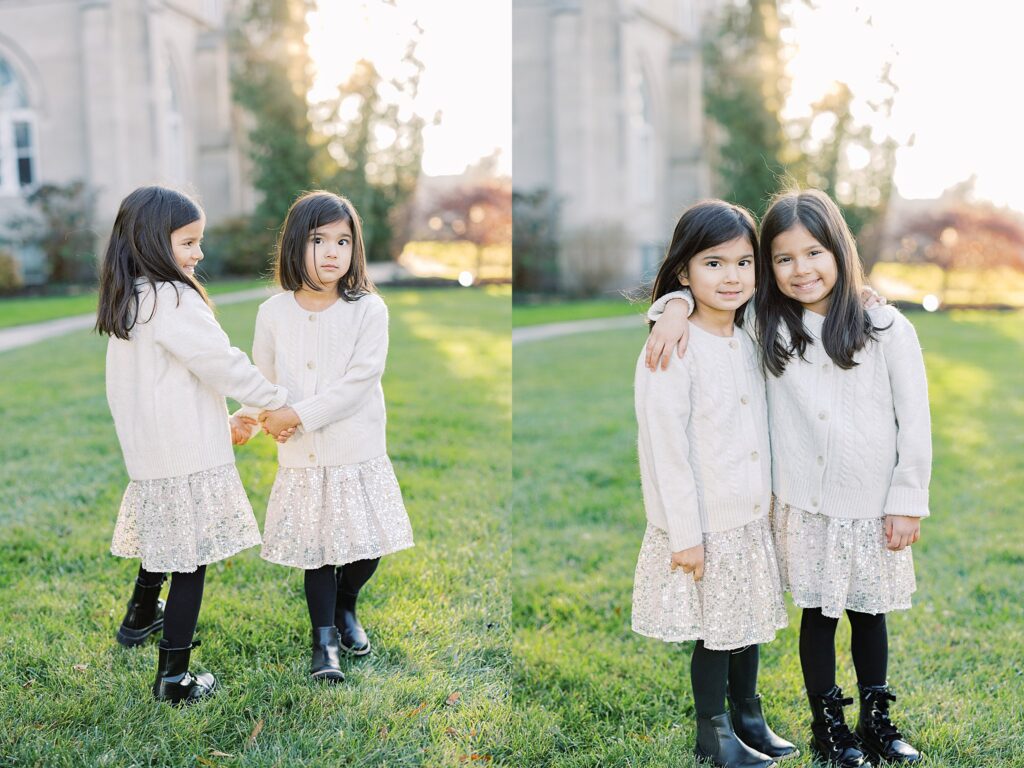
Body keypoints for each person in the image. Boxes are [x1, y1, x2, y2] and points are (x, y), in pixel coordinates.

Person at [646, 189, 929, 766]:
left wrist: (908, 498)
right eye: (783, 258)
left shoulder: (885, 326)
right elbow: (707, 296)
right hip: (802, 504)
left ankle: (876, 720)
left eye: (815, 253)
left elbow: (915, 418)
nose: (801, 269)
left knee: (869, 612)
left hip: (870, 503)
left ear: (841, 253)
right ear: (770, 268)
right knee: (818, 616)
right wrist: (671, 306)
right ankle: (828, 728)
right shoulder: (768, 324)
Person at [96, 185, 289, 704]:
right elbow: (222, 362)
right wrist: (275, 400)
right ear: (154, 242)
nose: (198, 253)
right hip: (184, 452)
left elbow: (155, 383)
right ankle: (174, 678)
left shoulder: (130, 298)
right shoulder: (173, 297)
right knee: (189, 559)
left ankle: (139, 617)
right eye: (188, 242)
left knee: (167, 533)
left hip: (150, 451)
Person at [634, 200, 796, 768]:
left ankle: (749, 715)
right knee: (716, 633)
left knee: (746, 620)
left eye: (743, 263)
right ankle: (716, 734)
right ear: (684, 271)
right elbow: (666, 450)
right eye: (713, 264)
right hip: (705, 520)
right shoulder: (671, 347)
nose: (732, 277)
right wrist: (686, 533)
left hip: (751, 514)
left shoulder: (751, 333)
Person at [236, 190, 414, 683]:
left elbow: (358, 383)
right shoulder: (273, 312)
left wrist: (298, 411)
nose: (333, 251)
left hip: (356, 447)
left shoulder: (368, 311)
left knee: (365, 547)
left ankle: (347, 605)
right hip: (303, 455)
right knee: (317, 550)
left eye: (343, 240)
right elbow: (261, 374)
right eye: (319, 240)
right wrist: (248, 416)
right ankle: (324, 643)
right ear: (296, 243)